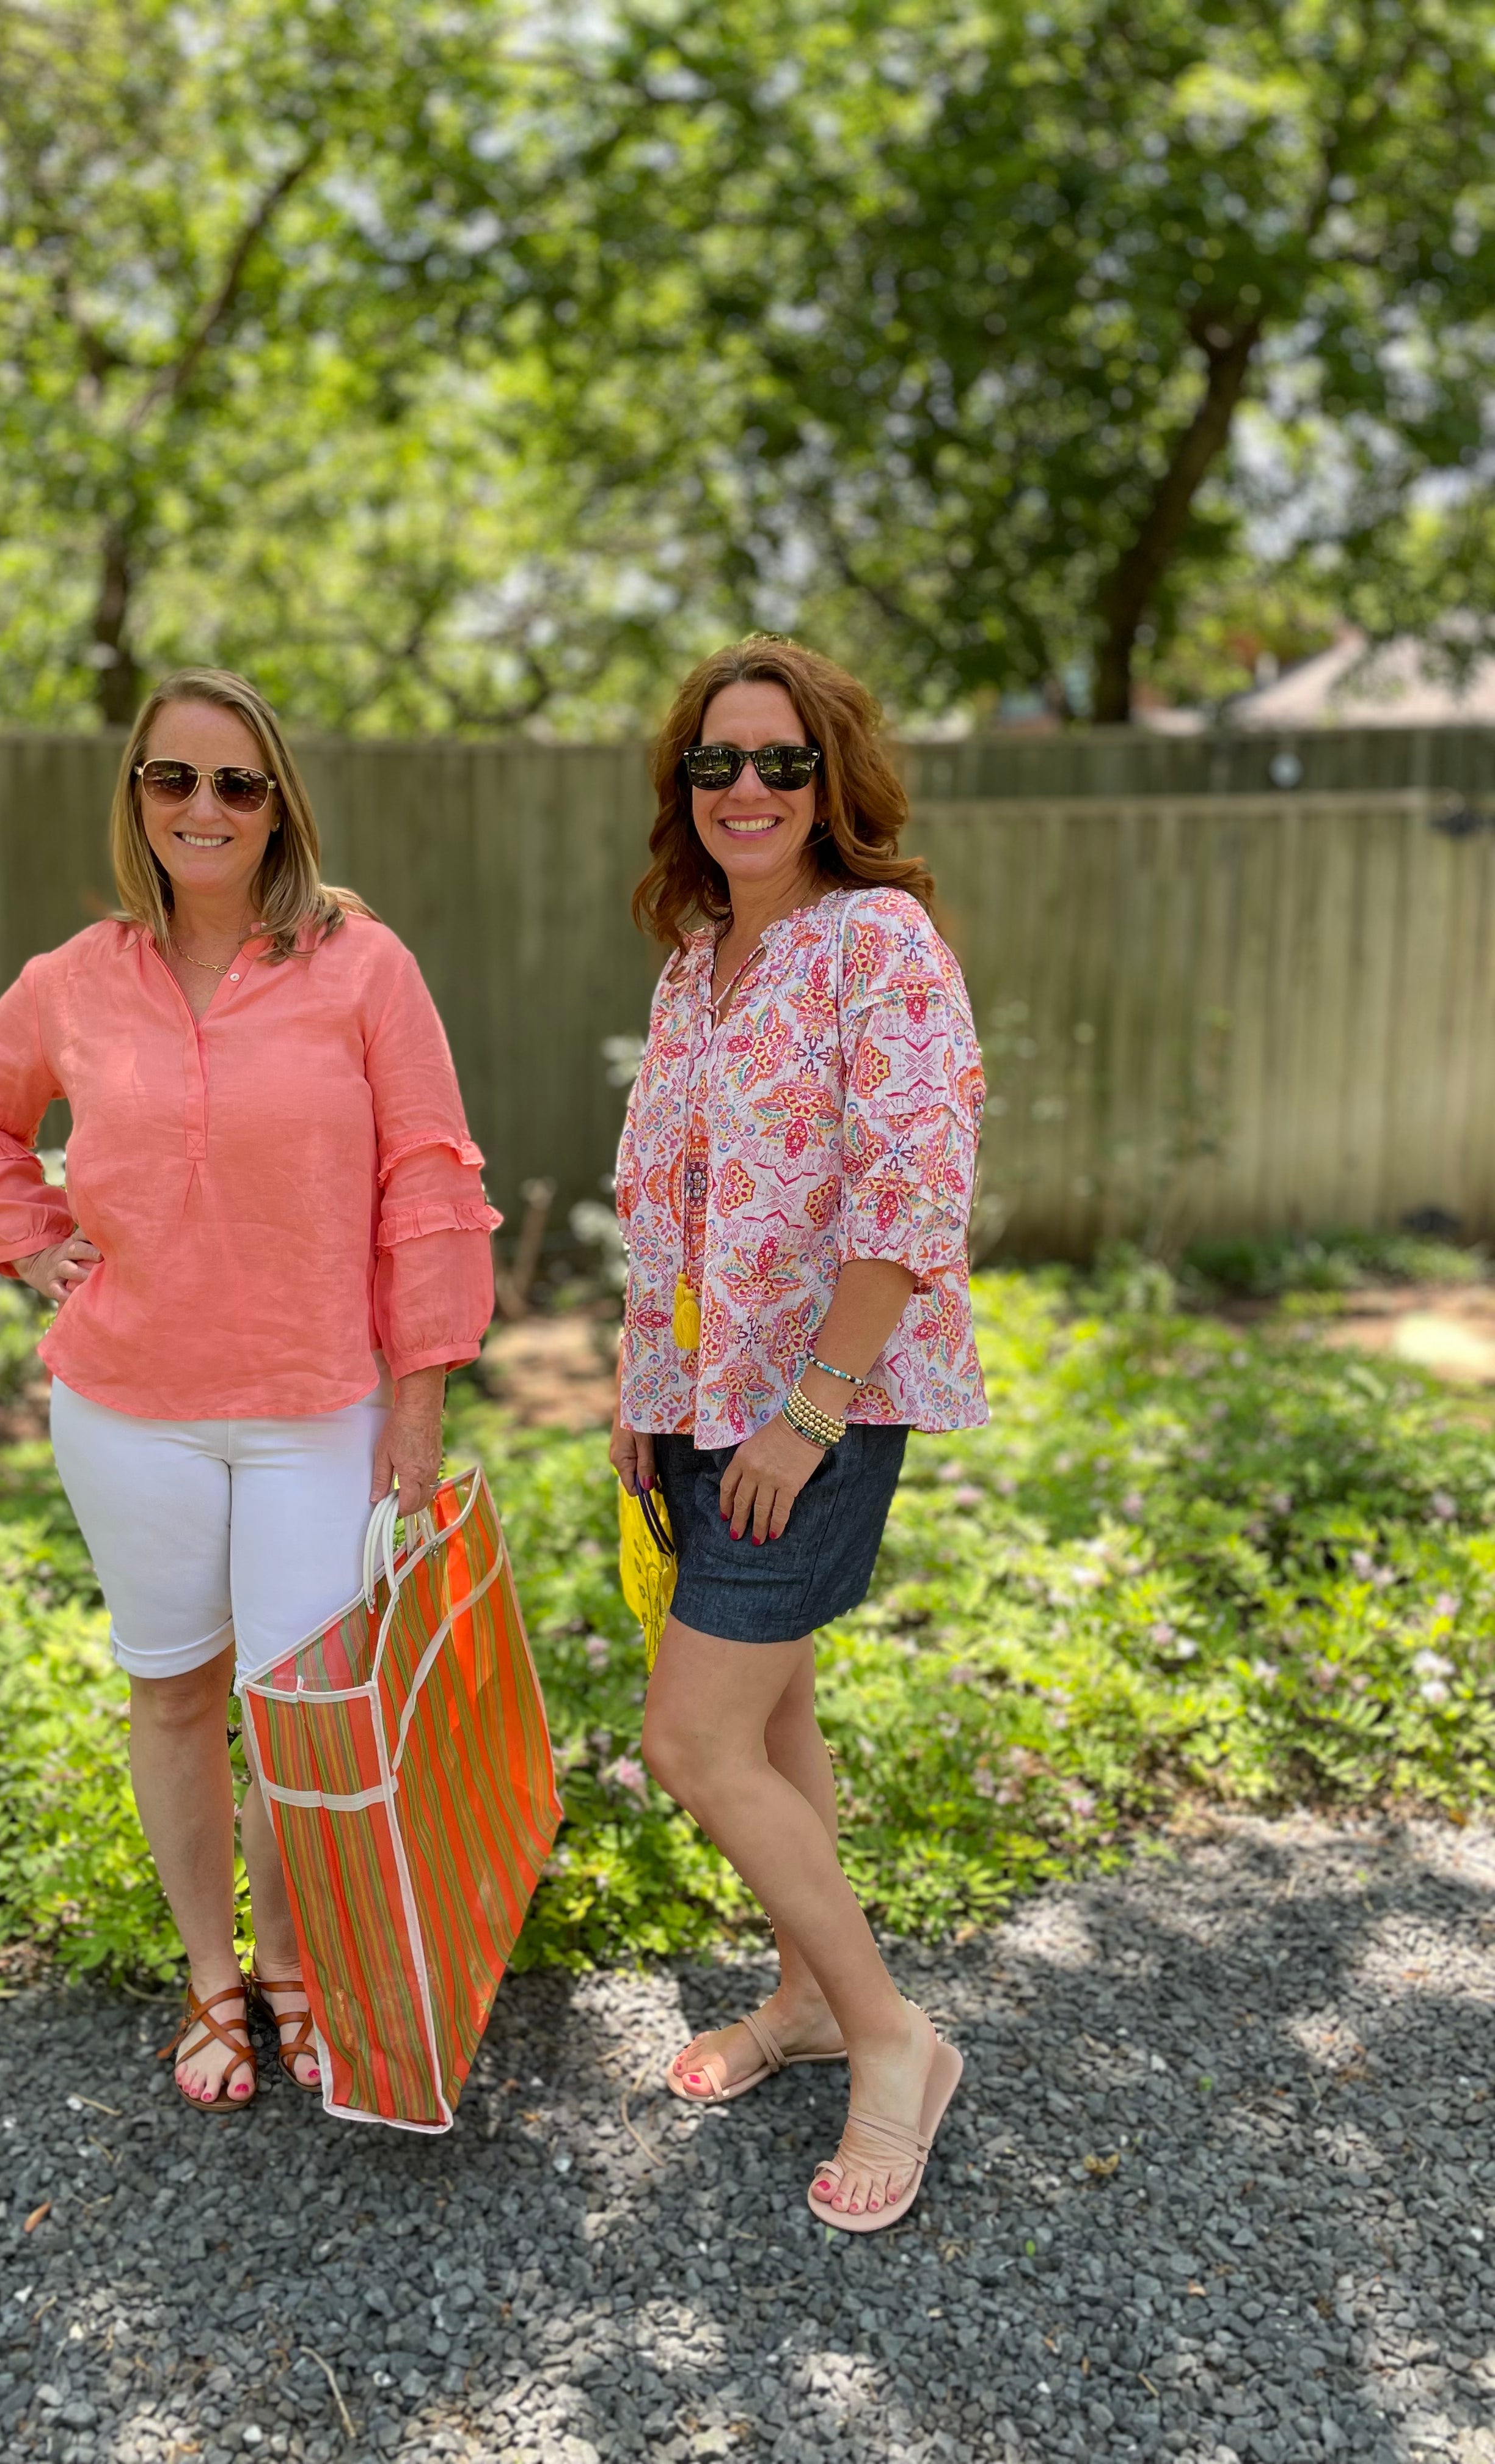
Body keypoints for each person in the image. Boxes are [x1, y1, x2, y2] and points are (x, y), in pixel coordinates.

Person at [0, 667, 498, 2113]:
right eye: (172, 779)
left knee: (300, 1712)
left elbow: (427, 1180)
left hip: (317, 1409)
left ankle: (292, 1962)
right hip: (126, 1410)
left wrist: (415, 1403)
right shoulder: (75, 978)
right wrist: (38, 1248)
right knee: (172, 1697)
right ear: (137, 799)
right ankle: (209, 1976)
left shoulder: (364, 962)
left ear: (279, 799)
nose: (204, 807)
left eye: (236, 781)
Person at [610, 637, 988, 2230]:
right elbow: (664, 1201)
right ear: (683, 792)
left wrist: (808, 1411)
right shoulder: (696, 963)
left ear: (832, 781)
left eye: (779, 761)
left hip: (816, 1410)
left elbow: (916, 1192)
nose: (747, 788)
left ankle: (896, 2041)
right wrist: (645, 1402)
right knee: (770, 1726)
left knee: (691, 1742)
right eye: (717, 762)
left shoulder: (877, 944)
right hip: (702, 1411)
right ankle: (812, 2000)